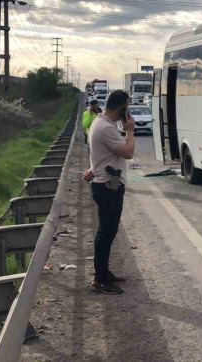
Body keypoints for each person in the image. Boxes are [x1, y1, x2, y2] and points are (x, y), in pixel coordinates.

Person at [82, 90, 135, 295]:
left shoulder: (101, 122)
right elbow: (128, 153)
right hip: (108, 187)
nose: (128, 111)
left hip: (104, 182)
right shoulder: (106, 127)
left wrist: (93, 169)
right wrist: (130, 130)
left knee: (109, 231)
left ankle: (104, 272)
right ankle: (100, 278)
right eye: (127, 107)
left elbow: (99, 154)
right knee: (106, 232)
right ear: (122, 107)